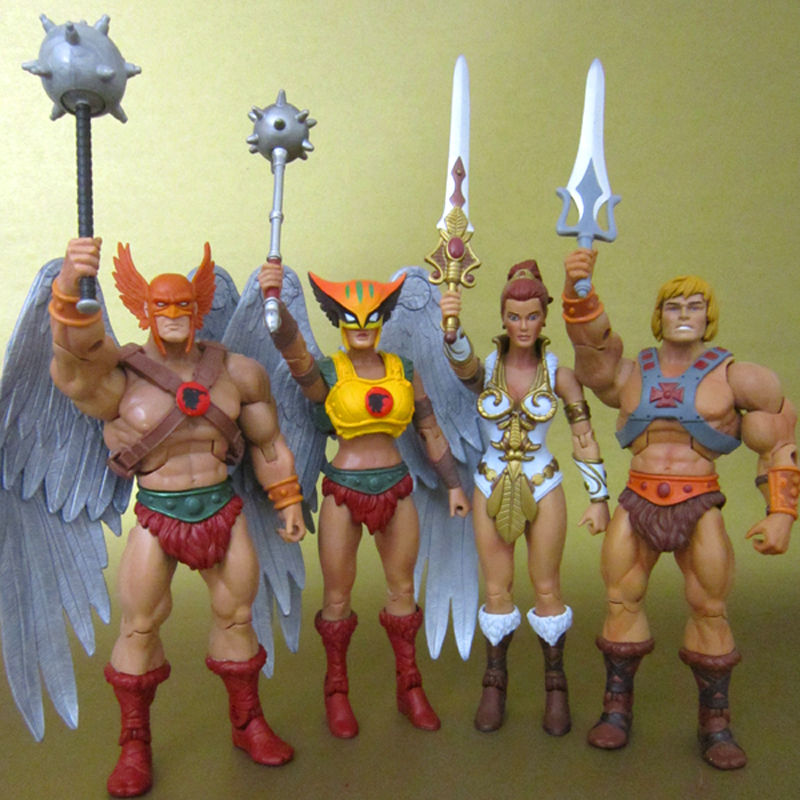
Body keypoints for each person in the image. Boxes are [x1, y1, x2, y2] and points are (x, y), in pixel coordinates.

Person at [50, 237, 305, 797]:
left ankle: (247, 722)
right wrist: (70, 286)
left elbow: (267, 443)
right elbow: (73, 368)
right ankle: (134, 742)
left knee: (238, 616)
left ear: (198, 309)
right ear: (144, 309)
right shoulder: (122, 376)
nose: (172, 315)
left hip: (221, 507)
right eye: (161, 305)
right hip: (158, 514)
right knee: (140, 625)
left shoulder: (236, 372)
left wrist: (287, 497)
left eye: (183, 305)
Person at [562, 247, 798, 769]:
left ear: (709, 315)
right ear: (659, 315)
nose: (684, 314)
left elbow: (780, 437)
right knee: (620, 599)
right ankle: (616, 709)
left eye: (695, 305)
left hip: (699, 501)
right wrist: (579, 290)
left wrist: (781, 513)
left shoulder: (737, 377)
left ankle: (716, 722)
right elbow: (591, 349)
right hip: (638, 499)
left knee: (710, 606)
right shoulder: (631, 372)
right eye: (674, 306)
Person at [259, 263, 470, 739]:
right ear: (337, 319)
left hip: (396, 484)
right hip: (343, 487)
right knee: (337, 596)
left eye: (371, 317)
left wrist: (453, 483)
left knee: (403, 591)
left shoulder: (403, 370)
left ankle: (410, 686)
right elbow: (297, 358)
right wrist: (276, 310)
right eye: (350, 318)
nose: (361, 327)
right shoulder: (331, 372)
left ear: (383, 319)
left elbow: (429, 427)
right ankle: (336, 690)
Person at [439, 260, 610, 735]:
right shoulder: (489, 369)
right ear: (503, 317)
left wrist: (598, 497)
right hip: (491, 480)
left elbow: (583, 436)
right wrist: (452, 327)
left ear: (544, 317)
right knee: (496, 589)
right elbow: (464, 366)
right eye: (514, 316)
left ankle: (556, 684)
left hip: (543, 482)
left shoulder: (560, 375)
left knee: (547, 587)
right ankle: (494, 682)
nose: (523, 325)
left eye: (532, 316)